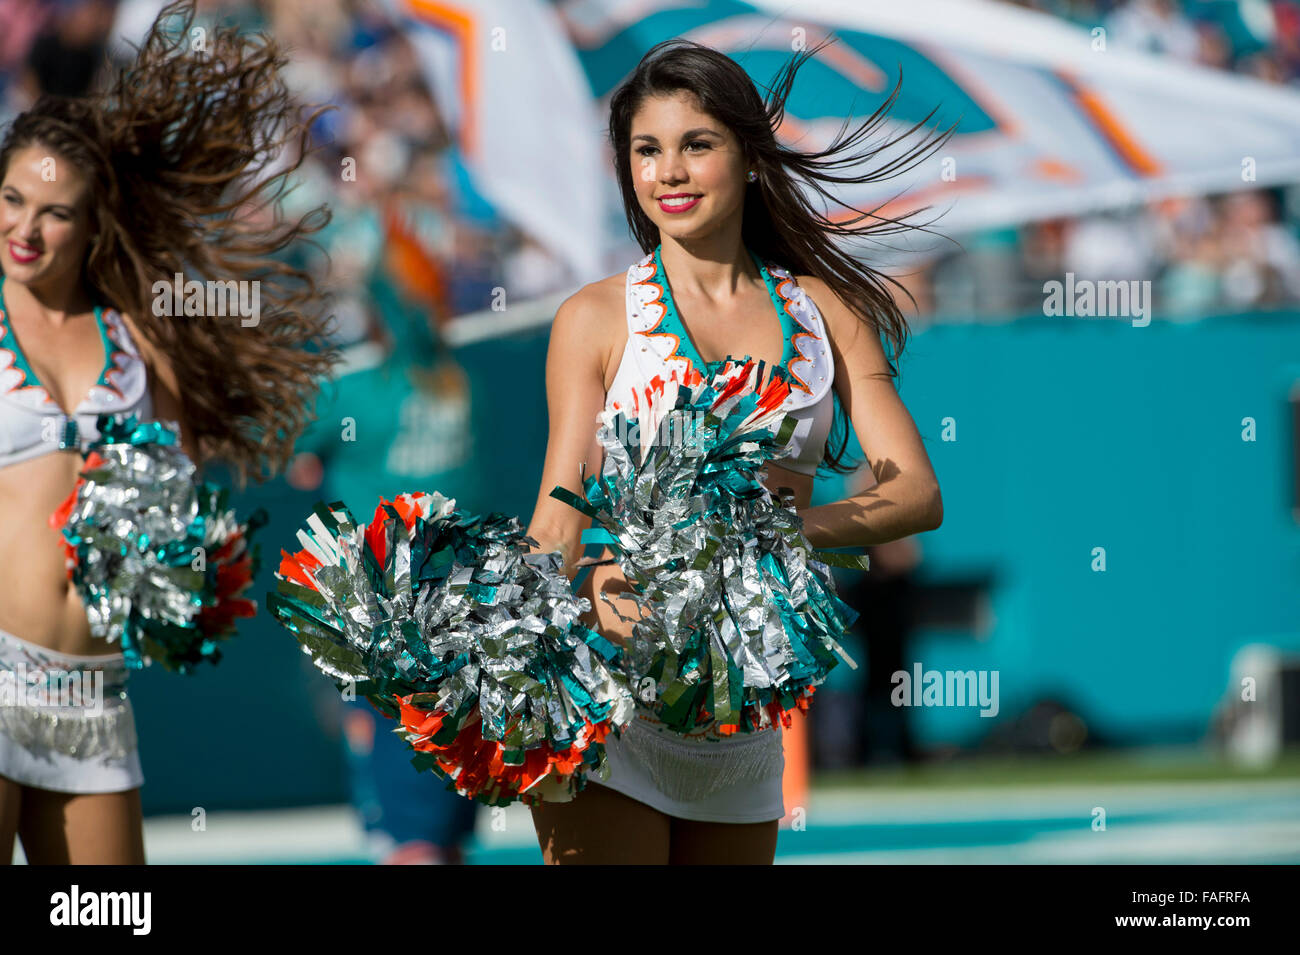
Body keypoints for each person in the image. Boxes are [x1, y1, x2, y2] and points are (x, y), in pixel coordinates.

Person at [523, 38, 947, 865]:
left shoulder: (826, 311)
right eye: (647, 150)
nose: (668, 172)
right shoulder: (595, 317)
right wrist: (508, 651)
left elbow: (917, 493)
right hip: (613, 692)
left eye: (696, 145)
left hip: (743, 709)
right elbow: (559, 512)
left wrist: (771, 535)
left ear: (750, 158)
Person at [0, 0, 335, 864]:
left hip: (95, 695)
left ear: (94, 220)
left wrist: (192, 567)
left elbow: (184, 488)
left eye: (54, 211)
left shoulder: (141, 335)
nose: (25, 229)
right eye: (10, 200)